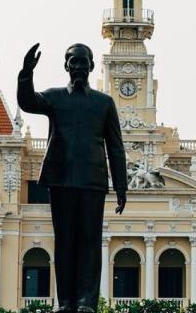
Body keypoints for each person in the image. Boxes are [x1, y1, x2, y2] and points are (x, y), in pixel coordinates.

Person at [17, 42, 127, 313]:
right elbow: (27, 101)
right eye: (72, 61)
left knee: (90, 242)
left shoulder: (104, 103)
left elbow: (115, 146)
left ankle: (87, 302)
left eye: (82, 62)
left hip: (92, 181)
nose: (78, 66)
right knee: (64, 242)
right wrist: (26, 73)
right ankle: (65, 302)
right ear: (66, 66)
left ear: (91, 66)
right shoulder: (55, 97)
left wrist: (121, 186)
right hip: (61, 179)